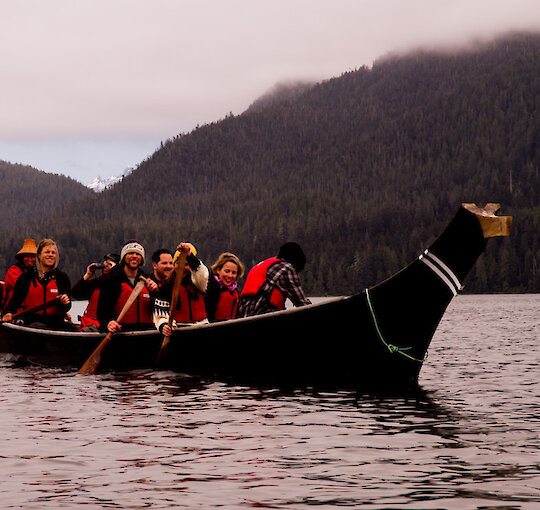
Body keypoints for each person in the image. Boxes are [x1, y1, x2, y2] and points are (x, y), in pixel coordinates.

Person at [2, 239, 74, 330]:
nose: (51, 255)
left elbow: (66, 307)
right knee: (38, 327)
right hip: (32, 322)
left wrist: (65, 303)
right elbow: (14, 303)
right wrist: (8, 313)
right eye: (47, 252)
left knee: (73, 329)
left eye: (53, 252)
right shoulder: (25, 278)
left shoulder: (62, 278)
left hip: (56, 322)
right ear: (39, 255)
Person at [96, 240, 158, 333]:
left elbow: (157, 308)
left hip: (145, 333)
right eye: (130, 253)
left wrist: (156, 292)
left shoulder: (148, 280)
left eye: (138, 254)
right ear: (124, 257)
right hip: (120, 334)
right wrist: (108, 323)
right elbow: (102, 311)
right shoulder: (111, 280)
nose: (134, 256)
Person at [237, 242, 311, 318]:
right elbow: (302, 304)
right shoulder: (286, 269)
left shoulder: (267, 265)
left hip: (243, 317)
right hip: (261, 315)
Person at [153, 242, 209, 336]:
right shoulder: (167, 285)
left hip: (201, 326)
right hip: (179, 330)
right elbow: (160, 313)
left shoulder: (198, 283)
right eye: (178, 263)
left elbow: (202, 273)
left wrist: (189, 255)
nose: (182, 267)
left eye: (186, 264)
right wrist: (164, 325)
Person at [71, 252, 120, 331]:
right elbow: (75, 293)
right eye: (105, 263)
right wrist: (88, 274)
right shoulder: (96, 283)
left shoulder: (119, 284)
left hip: (107, 326)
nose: (106, 266)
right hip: (90, 323)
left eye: (110, 264)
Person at [205, 252, 244, 322]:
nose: (230, 276)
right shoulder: (209, 289)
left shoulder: (235, 293)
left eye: (234, 273)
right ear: (218, 270)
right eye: (227, 271)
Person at [1, 239, 38, 311]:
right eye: (27, 256)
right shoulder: (13, 271)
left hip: (32, 310)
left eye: (33, 256)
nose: (30, 259)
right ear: (22, 257)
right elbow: (25, 288)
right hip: (15, 311)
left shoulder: (38, 271)